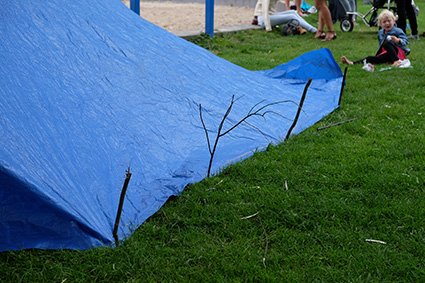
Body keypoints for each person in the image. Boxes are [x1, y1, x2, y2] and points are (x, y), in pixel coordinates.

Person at [341, 10, 410, 71]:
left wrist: (398, 40)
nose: (387, 23)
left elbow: (406, 41)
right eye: (384, 22)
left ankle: (396, 61)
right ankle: (352, 63)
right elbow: (381, 46)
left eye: (389, 21)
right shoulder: (380, 33)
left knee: (387, 43)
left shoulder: (397, 30)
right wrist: (378, 56)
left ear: (394, 21)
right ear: (380, 24)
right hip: (387, 54)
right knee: (370, 58)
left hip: (399, 53)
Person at [252, 0, 317, 33]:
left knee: (293, 12)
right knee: (291, 16)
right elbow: (264, 11)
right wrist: (268, 27)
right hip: (263, 19)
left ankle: (304, 27)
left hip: (270, 15)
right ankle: (314, 30)